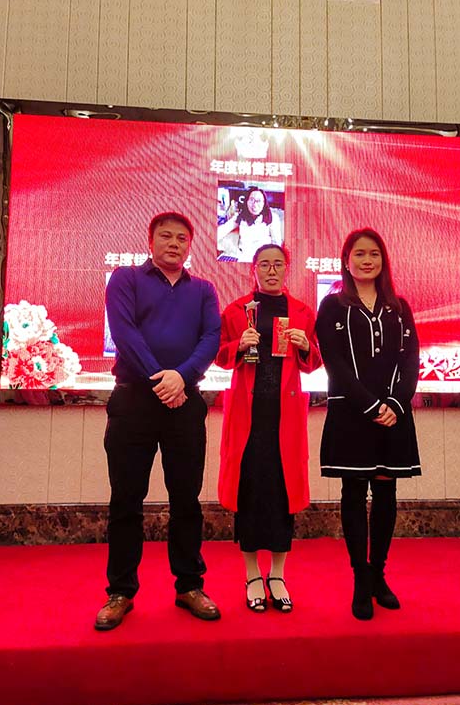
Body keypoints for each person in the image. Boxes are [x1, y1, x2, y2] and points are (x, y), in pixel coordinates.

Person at [95, 212, 221, 631]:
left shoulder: (203, 290)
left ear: (190, 246)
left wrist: (181, 378)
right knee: (125, 499)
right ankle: (120, 592)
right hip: (134, 400)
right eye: (166, 236)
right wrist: (161, 379)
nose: (174, 243)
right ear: (150, 241)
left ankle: (190, 586)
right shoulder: (126, 279)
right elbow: (125, 333)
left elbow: (211, 338)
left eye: (182, 238)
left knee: (186, 499)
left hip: (185, 403)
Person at [315, 228, 421, 620]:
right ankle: (360, 577)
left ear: (383, 260)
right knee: (354, 492)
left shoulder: (399, 307)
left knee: (386, 491)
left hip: (393, 414)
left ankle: (379, 574)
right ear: (346, 261)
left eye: (373, 254)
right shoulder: (332, 306)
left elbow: (411, 359)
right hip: (351, 413)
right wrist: (371, 404)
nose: (366, 260)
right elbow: (335, 363)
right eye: (358, 254)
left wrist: (395, 403)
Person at [214, 244, 323, 613]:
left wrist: (305, 346)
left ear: (287, 268)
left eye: (278, 264)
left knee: (281, 493)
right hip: (247, 416)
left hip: (285, 416)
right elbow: (220, 355)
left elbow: (314, 361)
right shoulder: (236, 311)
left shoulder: (303, 312)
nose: (271, 270)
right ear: (254, 269)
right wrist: (238, 346)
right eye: (264, 264)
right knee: (248, 491)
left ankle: (277, 574)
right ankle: (251, 575)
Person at [217, 187, 284, 262]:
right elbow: (224, 229)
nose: (254, 204)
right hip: (242, 257)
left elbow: (276, 244)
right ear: (247, 201)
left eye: (258, 201)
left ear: (264, 203)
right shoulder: (241, 216)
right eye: (251, 200)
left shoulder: (272, 217)